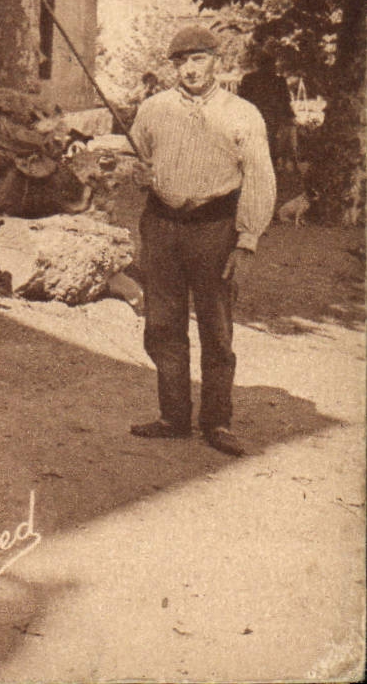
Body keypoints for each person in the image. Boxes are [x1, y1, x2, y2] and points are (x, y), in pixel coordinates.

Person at [128, 25, 275, 456]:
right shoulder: (153, 109)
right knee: (162, 325)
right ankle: (173, 417)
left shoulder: (242, 113)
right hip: (161, 225)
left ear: (216, 61)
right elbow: (138, 160)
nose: (190, 69)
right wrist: (138, 174)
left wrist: (246, 240)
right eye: (181, 62)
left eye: (198, 59)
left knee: (216, 327)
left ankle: (217, 422)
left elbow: (260, 178)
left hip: (215, 229)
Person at [236, 45, 299, 176]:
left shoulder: (249, 79)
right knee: (270, 144)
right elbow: (285, 102)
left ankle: (257, 171)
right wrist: (289, 117)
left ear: (257, 64)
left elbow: (241, 100)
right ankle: (269, 171)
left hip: (254, 117)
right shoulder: (278, 80)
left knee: (255, 145)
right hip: (271, 118)